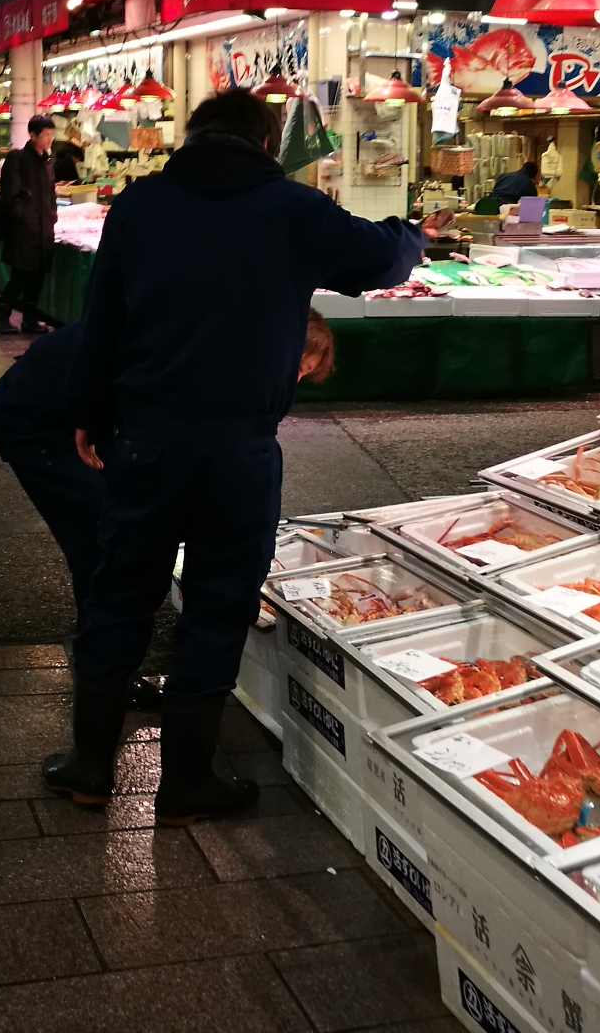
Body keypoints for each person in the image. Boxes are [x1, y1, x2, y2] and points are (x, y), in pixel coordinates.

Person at [42, 86, 450, 824]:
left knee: (121, 588)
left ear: (194, 136)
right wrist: (412, 231)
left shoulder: (142, 204)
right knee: (220, 596)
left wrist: (86, 412)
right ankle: (187, 780)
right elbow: (383, 262)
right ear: (266, 144)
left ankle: (90, 766)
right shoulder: (291, 209)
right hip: (239, 446)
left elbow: (103, 315)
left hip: (147, 438)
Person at [0, 309, 338, 679]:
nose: (294, 382)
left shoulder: (218, 339)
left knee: (118, 528)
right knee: (97, 539)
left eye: (304, 374)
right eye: (297, 367)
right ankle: (103, 669)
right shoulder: (194, 345)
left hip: (88, 412)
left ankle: (109, 650)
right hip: (38, 419)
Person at [0, 114, 58, 336]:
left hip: (44, 231)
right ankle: (2, 318)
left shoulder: (47, 162)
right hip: (24, 232)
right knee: (20, 277)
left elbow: (51, 196)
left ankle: (30, 319)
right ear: (32, 135)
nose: (50, 139)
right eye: (46, 135)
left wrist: (52, 218)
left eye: (52, 135)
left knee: (37, 278)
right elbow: (10, 194)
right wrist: (22, 217)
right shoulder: (17, 159)